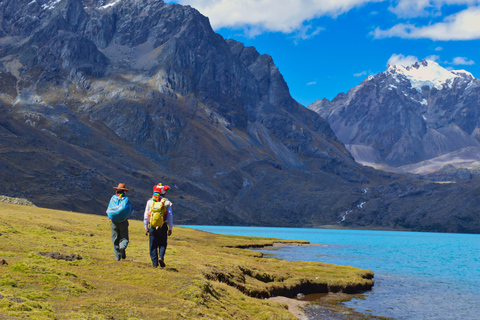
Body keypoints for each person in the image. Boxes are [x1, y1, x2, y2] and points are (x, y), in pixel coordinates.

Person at [144, 183, 173, 268]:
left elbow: (146, 215)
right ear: (163, 193)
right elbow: (170, 216)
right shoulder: (166, 202)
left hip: (152, 225)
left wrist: (146, 227)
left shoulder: (150, 202)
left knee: (153, 245)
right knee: (163, 243)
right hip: (162, 226)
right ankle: (160, 257)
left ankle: (154, 264)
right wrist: (170, 228)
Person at [108, 183, 132, 261]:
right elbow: (130, 211)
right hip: (123, 222)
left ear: (117, 191)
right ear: (124, 191)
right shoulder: (126, 200)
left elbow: (109, 209)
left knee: (115, 239)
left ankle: (117, 257)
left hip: (114, 222)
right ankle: (122, 247)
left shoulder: (113, 198)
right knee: (124, 238)